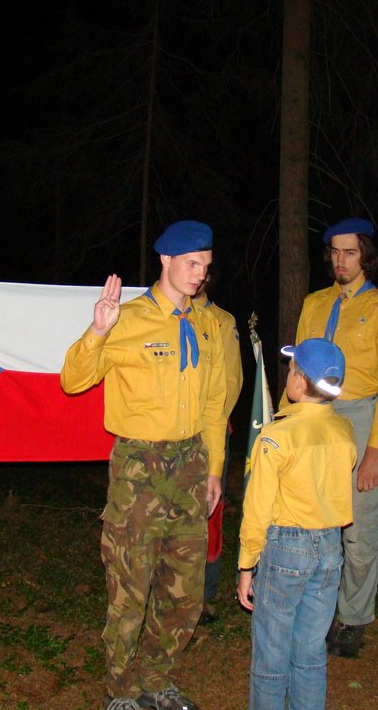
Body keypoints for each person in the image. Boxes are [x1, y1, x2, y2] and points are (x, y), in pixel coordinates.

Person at [60, 220, 227, 710]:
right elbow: (73, 380)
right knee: (129, 588)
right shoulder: (128, 319)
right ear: (166, 260)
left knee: (184, 591)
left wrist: (214, 469)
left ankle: (157, 680)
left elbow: (214, 404)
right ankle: (120, 689)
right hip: (140, 468)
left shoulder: (206, 325)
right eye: (191, 264)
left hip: (191, 464)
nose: (199, 274)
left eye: (205, 266)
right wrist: (98, 330)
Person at [288, 217, 378, 658]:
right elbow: (297, 369)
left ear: (365, 256)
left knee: (359, 530)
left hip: (359, 419)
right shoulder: (314, 303)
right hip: (313, 416)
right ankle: (315, 612)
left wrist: (374, 451)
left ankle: (353, 618)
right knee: (312, 522)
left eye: (350, 252)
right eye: (335, 252)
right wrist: (285, 421)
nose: (341, 261)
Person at [237, 338, 356, 710]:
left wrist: (246, 565)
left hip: (286, 549)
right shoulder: (344, 431)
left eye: (291, 370)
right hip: (330, 549)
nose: (287, 375)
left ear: (300, 382)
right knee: (310, 651)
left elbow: (257, 508)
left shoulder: (276, 437)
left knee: (271, 654)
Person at [193, 279, 243, 627]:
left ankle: (205, 595)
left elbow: (232, 381)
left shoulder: (223, 321)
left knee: (210, 512)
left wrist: (211, 423)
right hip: (171, 433)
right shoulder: (168, 315)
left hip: (209, 432)